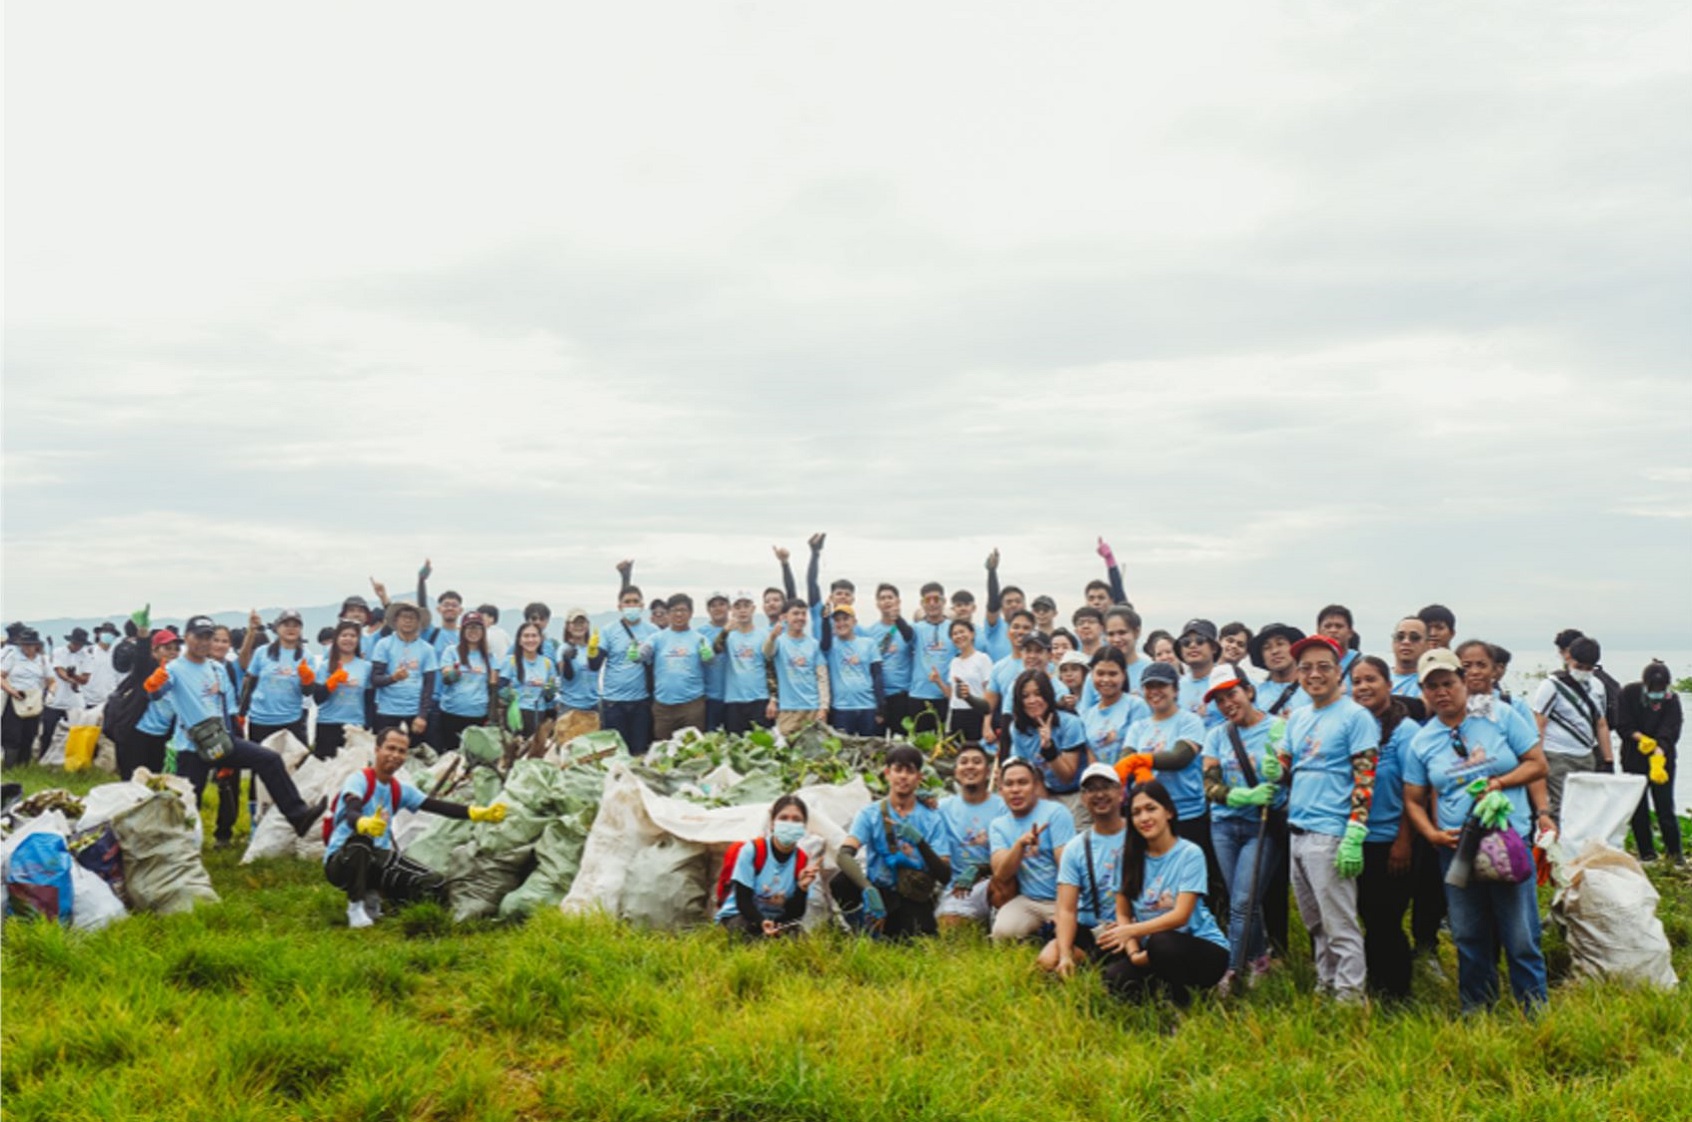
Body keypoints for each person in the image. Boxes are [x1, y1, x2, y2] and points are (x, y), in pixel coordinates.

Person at [1403, 649, 1549, 1014]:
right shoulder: (1423, 740)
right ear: (1423, 691)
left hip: (1506, 841)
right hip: (1456, 846)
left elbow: (1537, 764)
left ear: (1463, 681)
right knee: (1468, 933)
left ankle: (1533, 1012)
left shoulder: (1500, 715)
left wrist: (1499, 783)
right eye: (1432, 686)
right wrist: (1432, 835)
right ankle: (1476, 1011)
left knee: (1520, 935)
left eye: (1448, 683)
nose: (1442, 692)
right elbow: (1413, 799)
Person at [145, 615, 326, 837]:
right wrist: (154, 685)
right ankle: (176, 846)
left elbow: (227, 709)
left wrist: (231, 747)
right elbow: (156, 693)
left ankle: (299, 817)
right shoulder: (174, 669)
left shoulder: (216, 668)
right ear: (187, 637)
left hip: (222, 739)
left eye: (208, 637)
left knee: (269, 759)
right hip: (191, 747)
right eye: (198, 636)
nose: (203, 642)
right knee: (189, 802)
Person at [1274, 634, 1379, 1003]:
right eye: (1305, 668)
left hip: (1331, 834)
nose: (1313, 674)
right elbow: (1285, 768)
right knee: (1315, 922)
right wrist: (1274, 764)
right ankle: (1326, 984)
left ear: (1339, 672)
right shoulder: (1299, 717)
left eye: (1323, 667)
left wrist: (1355, 830)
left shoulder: (1356, 717)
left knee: (1340, 923)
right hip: (1297, 831)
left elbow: (1366, 777)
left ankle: (1351, 999)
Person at [324, 726, 507, 929]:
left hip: (377, 859)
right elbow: (352, 808)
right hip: (342, 862)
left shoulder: (397, 789)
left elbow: (437, 806)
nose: (395, 755)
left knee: (433, 882)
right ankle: (356, 907)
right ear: (376, 750)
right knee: (361, 842)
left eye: (401, 751)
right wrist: (362, 822)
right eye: (390, 748)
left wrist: (477, 813)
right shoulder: (360, 780)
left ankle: (380, 898)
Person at [1100, 780, 1231, 1007]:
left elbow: (1180, 916)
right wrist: (1133, 954)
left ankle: (1184, 1007)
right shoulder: (1126, 858)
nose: (1144, 818)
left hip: (1203, 949)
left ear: (1168, 812)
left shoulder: (1190, 853)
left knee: (1162, 944)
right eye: (1136, 812)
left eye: (1151, 809)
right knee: (1115, 977)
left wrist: (1129, 931)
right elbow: (1122, 912)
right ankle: (1162, 998)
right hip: (1153, 952)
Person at [1200, 671, 1283, 983]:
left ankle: (1231, 971)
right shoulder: (1217, 735)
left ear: (1249, 690)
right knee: (1244, 902)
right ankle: (1259, 963)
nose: (1226, 704)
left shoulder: (1277, 728)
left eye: (1231, 694)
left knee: (1242, 902)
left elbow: (1291, 771)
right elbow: (1209, 783)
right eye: (1219, 700)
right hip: (1223, 827)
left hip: (1261, 826)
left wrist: (1279, 778)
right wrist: (1239, 795)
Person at [1348, 656, 1419, 1004]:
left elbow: (1414, 790)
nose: (1363, 687)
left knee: (1386, 921)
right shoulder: (1351, 726)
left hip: (1391, 841)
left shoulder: (1406, 732)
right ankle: (1375, 986)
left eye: (1371, 680)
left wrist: (1403, 841)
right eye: (1357, 681)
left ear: (1389, 685)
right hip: (1354, 840)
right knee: (1366, 919)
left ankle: (1397, 994)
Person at [832, 745, 953, 939]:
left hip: (912, 893)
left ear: (919, 778)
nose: (903, 776)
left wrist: (920, 843)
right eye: (898, 770)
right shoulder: (870, 814)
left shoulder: (931, 818)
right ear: (887, 773)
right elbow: (844, 855)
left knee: (914, 940)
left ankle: (883, 931)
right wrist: (868, 888)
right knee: (841, 882)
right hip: (879, 890)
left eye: (910, 771)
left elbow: (945, 874)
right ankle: (860, 929)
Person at [1042, 762, 1130, 975]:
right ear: (1082, 798)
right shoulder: (1076, 847)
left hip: (1134, 928)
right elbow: (1066, 909)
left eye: (1106, 787)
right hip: (1093, 931)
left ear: (1120, 793)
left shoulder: (1141, 836)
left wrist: (1130, 926)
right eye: (1091, 789)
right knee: (1048, 960)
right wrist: (1064, 955)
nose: (1099, 794)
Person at [1115, 662, 1209, 862]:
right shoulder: (1138, 727)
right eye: (1149, 687)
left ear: (1175, 689)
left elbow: (1179, 757)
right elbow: (1125, 760)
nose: (1155, 692)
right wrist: (1139, 768)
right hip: (1149, 816)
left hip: (1186, 814)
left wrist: (1139, 760)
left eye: (1161, 686)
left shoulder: (1190, 721)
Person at [988, 757, 1077, 940]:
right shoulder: (998, 825)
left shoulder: (1055, 813)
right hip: (1029, 899)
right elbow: (1001, 874)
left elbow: (1068, 868)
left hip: (1063, 899)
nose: (1015, 790)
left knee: (1068, 935)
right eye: (1009, 784)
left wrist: (1063, 909)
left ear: (1036, 786)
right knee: (1002, 934)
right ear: (1001, 790)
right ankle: (1036, 934)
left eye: (1023, 783)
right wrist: (1020, 845)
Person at [1531, 635, 1613, 822]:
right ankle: (1560, 849)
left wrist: (1608, 761)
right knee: (1562, 809)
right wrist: (1538, 758)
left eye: (1588, 668)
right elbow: (1539, 723)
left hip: (1586, 756)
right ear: (1568, 659)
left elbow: (1601, 723)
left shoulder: (1597, 686)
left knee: (1586, 809)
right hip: (1556, 755)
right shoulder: (1551, 686)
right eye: (1579, 666)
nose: (1583, 671)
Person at [716, 795, 819, 939]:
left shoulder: (802, 860)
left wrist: (802, 888)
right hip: (743, 915)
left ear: (804, 827)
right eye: (783, 818)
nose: (789, 823)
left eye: (796, 820)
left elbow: (795, 914)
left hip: (776, 920)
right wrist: (761, 922)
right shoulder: (753, 850)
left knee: (799, 940)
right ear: (772, 823)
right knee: (747, 933)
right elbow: (743, 900)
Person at [935, 742, 1007, 930]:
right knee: (949, 929)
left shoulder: (1003, 807)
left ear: (988, 771)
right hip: (957, 886)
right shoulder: (942, 808)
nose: (970, 766)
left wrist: (982, 869)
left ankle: (1001, 923)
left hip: (992, 881)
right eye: (964, 762)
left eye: (977, 762)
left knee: (1006, 883)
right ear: (955, 771)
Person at [1617, 661, 1682, 864]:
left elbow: (1671, 727)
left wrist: (1659, 750)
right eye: (1654, 689)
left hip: (1661, 760)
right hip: (1633, 758)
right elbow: (1622, 723)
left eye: (1661, 690)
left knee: (1665, 808)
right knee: (1639, 809)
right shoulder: (1628, 693)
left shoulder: (1672, 699)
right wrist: (1640, 738)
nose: (1657, 694)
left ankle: (1675, 854)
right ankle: (1647, 853)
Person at [1004, 670, 1089, 824]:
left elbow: (1066, 777)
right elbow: (1033, 774)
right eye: (1025, 696)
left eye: (1038, 694)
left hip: (1076, 796)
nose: (1032, 700)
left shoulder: (1070, 723)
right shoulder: (1018, 729)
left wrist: (1049, 749)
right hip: (1046, 794)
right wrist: (1046, 811)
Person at [638, 593, 714, 741]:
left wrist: (709, 657)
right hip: (663, 706)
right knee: (664, 749)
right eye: (674, 610)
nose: (678, 614)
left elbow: (709, 661)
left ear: (691, 613)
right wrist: (638, 654)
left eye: (683, 610)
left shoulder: (700, 639)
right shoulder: (657, 638)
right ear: (668, 613)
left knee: (693, 750)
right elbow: (644, 652)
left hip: (692, 705)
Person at [369, 601, 439, 747]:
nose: (408, 620)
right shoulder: (384, 644)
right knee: (386, 752)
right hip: (387, 710)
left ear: (419, 622)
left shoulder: (427, 649)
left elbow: (429, 684)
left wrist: (422, 715)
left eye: (412, 617)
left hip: (414, 712)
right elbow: (375, 678)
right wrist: (393, 678)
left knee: (414, 753)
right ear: (395, 620)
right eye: (404, 616)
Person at [238, 609, 313, 745]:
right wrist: (241, 713)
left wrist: (307, 680)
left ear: (301, 630)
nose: (291, 629)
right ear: (277, 628)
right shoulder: (262, 652)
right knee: (261, 764)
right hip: (260, 720)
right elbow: (249, 684)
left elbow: (307, 693)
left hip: (291, 720)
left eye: (295, 625)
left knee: (295, 764)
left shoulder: (307, 656)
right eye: (286, 625)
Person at [600, 579, 656, 755]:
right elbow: (595, 663)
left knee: (639, 752)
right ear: (619, 606)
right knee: (616, 754)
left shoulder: (653, 631)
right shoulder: (608, 631)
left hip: (641, 702)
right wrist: (592, 650)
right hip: (613, 702)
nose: (631, 605)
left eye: (635, 601)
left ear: (642, 605)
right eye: (627, 602)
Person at [764, 599, 829, 739]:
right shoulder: (779, 642)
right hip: (788, 709)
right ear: (784, 617)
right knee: (785, 750)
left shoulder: (813, 644)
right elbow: (767, 652)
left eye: (803, 614)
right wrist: (773, 636)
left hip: (812, 708)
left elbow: (822, 677)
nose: (800, 617)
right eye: (795, 614)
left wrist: (823, 707)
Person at [1079, 648, 1150, 769]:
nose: (1106, 680)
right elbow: (1092, 761)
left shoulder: (1136, 706)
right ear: (1091, 675)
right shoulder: (1087, 716)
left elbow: (1144, 750)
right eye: (1100, 674)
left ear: (1123, 674)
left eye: (1112, 674)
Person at [310, 621, 372, 759]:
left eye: (353, 636)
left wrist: (368, 727)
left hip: (355, 726)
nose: (348, 639)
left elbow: (369, 700)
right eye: (344, 635)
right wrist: (332, 681)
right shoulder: (325, 666)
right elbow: (317, 699)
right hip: (328, 724)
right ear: (336, 639)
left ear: (358, 640)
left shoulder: (366, 667)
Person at [820, 604, 884, 735]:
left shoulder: (869, 643)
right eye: (837, 620)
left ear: (854, 622)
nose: (841, 623)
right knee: (843, 751)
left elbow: (877, 675)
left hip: (868, 707)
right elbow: (825, 642)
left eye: (845, 619)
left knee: (869, 751)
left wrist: (881, 707)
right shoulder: (831, 646)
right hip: (842, 708)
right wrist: (825, 619)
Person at [436, 612, 497, 749]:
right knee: (451, 754)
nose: (473, 631)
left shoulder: (490, 657)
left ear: (483, 631)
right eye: (469, 628)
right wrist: (452, 674)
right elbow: (445, 676)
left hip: (478, 715)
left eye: (477, 627)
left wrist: (492, 717)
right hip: (452, 713)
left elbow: (493, 687)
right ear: (462, 630)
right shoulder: (451, 651)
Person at [717, 592, 773, 735]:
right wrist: (725, 631)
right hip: (734, 700)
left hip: (760, 699)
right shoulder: (728, 636)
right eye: (738, 606)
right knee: (735, 746)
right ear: (732, 610)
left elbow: (771, 667)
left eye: (746, 606)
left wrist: (773, 698)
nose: (742, 610)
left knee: (762, 746)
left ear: (753, 609)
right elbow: (715, 650)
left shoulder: (763, 635)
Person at [861, 583, 915, 731]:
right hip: (879, 696)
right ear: (877, 603)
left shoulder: (909, 630)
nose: (886, 601)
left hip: (903, 695)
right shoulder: (869, 632)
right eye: (882, 598)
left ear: (898, 601)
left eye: (890, 597)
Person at [906, 582, 956, 736]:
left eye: (936, 599)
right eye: (928, 600)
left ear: (944, 601)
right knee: (918, 743)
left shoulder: (954, 628)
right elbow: (903, 633)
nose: (933, 604)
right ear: (922, 604)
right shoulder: (916, 628)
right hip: (918, 694)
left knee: (943, 743)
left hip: (944, 695)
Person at [935, 619, 992, 741]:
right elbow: (952, 696)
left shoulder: (982, 659)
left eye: (962, 632)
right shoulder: (954, 662)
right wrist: (938, 681)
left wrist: (987, 724)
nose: (959, 636)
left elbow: (990, 696)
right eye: (955, 634)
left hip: (976, 713)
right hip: (956, 714)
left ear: (972, 634)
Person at [42, 627, 94, 759]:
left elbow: (85, 679)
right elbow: (59, 671)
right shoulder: (59, 652)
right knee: (48, 731)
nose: (78, 647)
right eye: (76, 643)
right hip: (56, 699)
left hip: (75, 701)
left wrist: (75, 677)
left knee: (75, 732)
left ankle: (71, 758)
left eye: (80, 644)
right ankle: (42, 757)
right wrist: (71, 679)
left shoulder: (86, 656)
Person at [0, 629, 50, 767]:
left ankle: (24, 765)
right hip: (16, 697)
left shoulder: (43, 660)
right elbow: (1, 676)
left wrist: (50, 692)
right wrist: (12, 691)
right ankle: (9, 765)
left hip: (34, 698)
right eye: (24, 645)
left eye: (29, 645)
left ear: (36, 646)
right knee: (12, 734)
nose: (26, 648)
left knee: (29, 733)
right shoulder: (13, 657)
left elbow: (50, 680)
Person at [500, 622, 559, 737]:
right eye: (526, 636)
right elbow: (500, 689)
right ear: (519, 640)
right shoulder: (510, 661)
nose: (530, 640)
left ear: (540, 639)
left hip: (540, 715)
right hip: (517, 716)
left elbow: (551, 697)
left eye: (534, 636)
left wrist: (550, 694)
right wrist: (504, 694)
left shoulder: (547, 663)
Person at [555, 608, 603, 744]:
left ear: (587, 625)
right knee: (567, 748)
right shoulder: (563, 649)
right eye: (575, 623)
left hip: (592, 706)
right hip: (570, 706)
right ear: (568, 627)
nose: (579, 626)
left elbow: (597, 668)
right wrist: (567, 660)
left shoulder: (593, 648)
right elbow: (566, 676)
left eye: (582, 623)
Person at [1247, 623, 1309, 717]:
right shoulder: (1255, 696)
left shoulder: (1312, 689)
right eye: (1267, 648)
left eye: (1280, 644)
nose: (1275, 651)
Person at [1175, 619, 1228, 728]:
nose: (1192, 645)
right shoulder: (1175, 687)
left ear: (1213, 647)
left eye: (1200, 640)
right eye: (1186, 642)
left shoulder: (1228, 680)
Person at [1315, 605, 1362, 684]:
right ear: (1318, 632)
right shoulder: (1309, 664)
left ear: (1350, 632)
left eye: (1339, 626)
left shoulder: (1363, 663)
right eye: (1327, 626)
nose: (1333, 630)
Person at [1389, 617, 1430, 698]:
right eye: (1400, 637)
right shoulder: (1379, 679)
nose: (1406, 642)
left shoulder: (1430, 683)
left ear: (1427, 645)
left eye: (1414, 638)